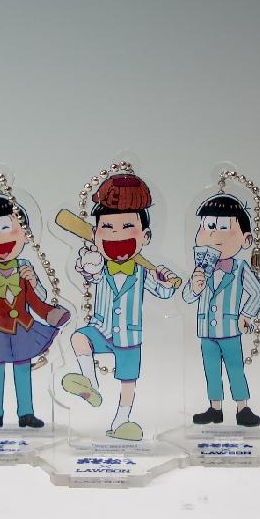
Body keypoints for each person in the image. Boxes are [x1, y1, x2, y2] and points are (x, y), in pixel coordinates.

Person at [61, 173, 178, 441]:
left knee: (128, 381)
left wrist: (167, 281)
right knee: (78, 338)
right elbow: (89, 273)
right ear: (95, 234)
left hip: (129, 335)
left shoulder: (143, 272)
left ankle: (121, 421)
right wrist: (88, 264)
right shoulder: (101, 267)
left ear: (146, 236)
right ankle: (89, 382)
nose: (117, 234)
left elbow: (163, 292)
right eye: (107, 227)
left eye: (127, 226)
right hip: (101, 329)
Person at [0, 194, 70, 428]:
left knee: (23, 370)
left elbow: (37, 297)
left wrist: (34, 282)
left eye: (6, 228)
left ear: (25, 234)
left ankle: (26, 413)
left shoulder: (25, 267)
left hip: (23, 327)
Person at [182, 193, 260, 426]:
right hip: (206, 330)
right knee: (211, 371)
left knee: (235, 369)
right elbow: (186, 297)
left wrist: (245, 315)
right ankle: (215, 408)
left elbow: (258, 292)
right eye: (208, 227)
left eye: (224, 227)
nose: (213, 235)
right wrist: (194, 287)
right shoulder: (201, 267)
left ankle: (242, 408)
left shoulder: (240, 268)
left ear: (245, 240)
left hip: (230, 329)